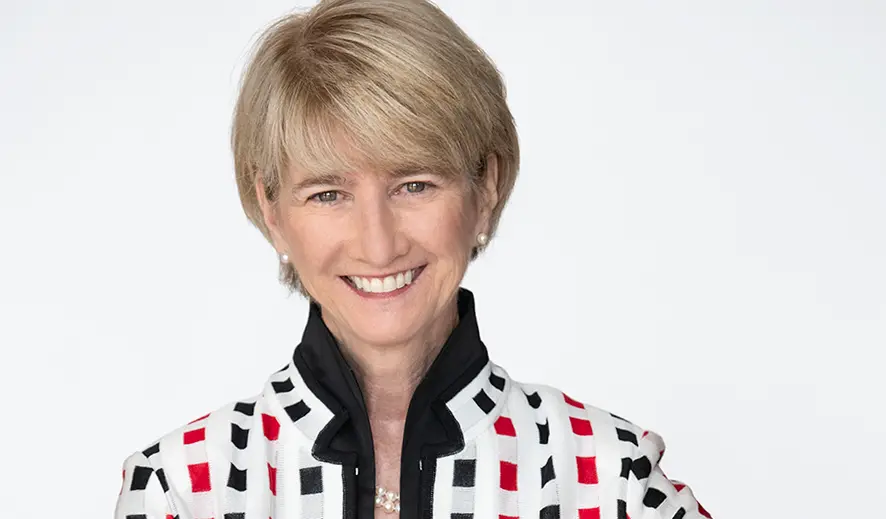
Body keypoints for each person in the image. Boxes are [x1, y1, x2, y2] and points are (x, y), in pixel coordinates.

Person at [114, 1, 711, 518]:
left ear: (486, 190)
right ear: (272, 212)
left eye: (415, 184)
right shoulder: (182, 489)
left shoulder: (609, 480)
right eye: (328, 194)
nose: (378, 244)